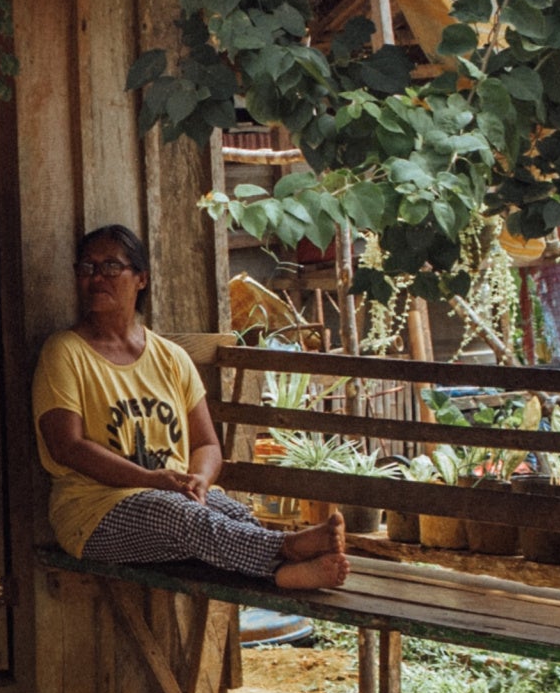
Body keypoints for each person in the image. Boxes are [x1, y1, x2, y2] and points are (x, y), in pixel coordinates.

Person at [36, 222, 353, 593]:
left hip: (173, 501)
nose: (97, 278)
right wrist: (151, 480)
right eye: (87, 268)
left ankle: (284, 571)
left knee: (228, 510)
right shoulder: (64, 352)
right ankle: (285, 549)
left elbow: (206, 445)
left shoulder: (171, 358)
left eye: (110, 267)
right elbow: (66, 446)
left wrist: (200, 480)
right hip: (93, 516)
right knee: (178, 515)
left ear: (141, 279)